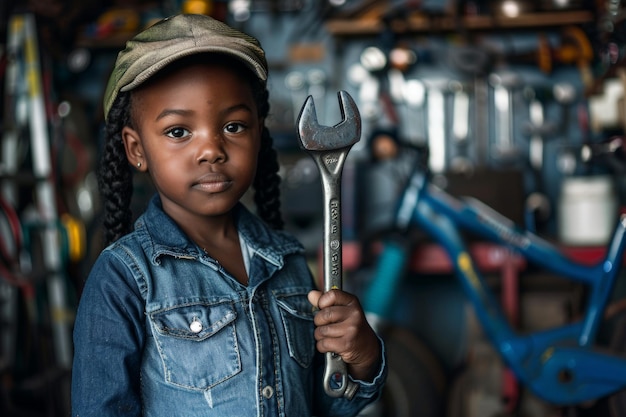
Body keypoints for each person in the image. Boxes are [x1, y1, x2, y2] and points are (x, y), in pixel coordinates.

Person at [71, 13, 386, 417]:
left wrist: (361, 358)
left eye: (234, 126)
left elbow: (322, 403)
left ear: (259, 133)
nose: (212, 149)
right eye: (179, 132)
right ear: (135, 150)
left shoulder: (288, 264)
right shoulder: (122, 279)